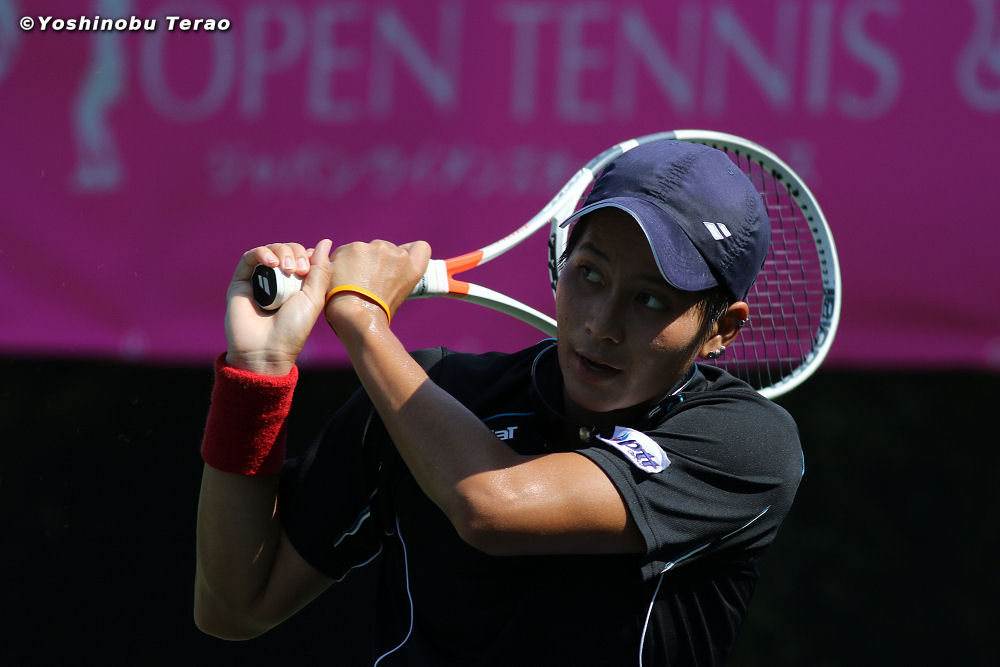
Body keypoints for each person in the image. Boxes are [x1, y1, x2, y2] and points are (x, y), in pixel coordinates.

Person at [193, 140, 803, 666]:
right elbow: (234, 607)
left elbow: (491, 507)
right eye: (590, 274)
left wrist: (363, 323)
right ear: (561, 263)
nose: (602, 324)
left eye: (650, 301)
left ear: (723, 328)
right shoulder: (428, 389)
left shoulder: (747, 443)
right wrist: (259, 371)